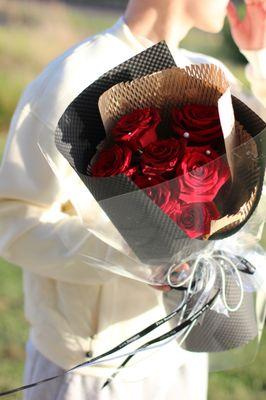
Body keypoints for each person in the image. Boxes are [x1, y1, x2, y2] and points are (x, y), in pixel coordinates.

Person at [0, 0, 265, 399]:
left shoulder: (209, 75)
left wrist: (260, 55)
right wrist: (134, 252)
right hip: (93, 368)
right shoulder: (72, 76)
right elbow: (12, 219)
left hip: (180, 351)